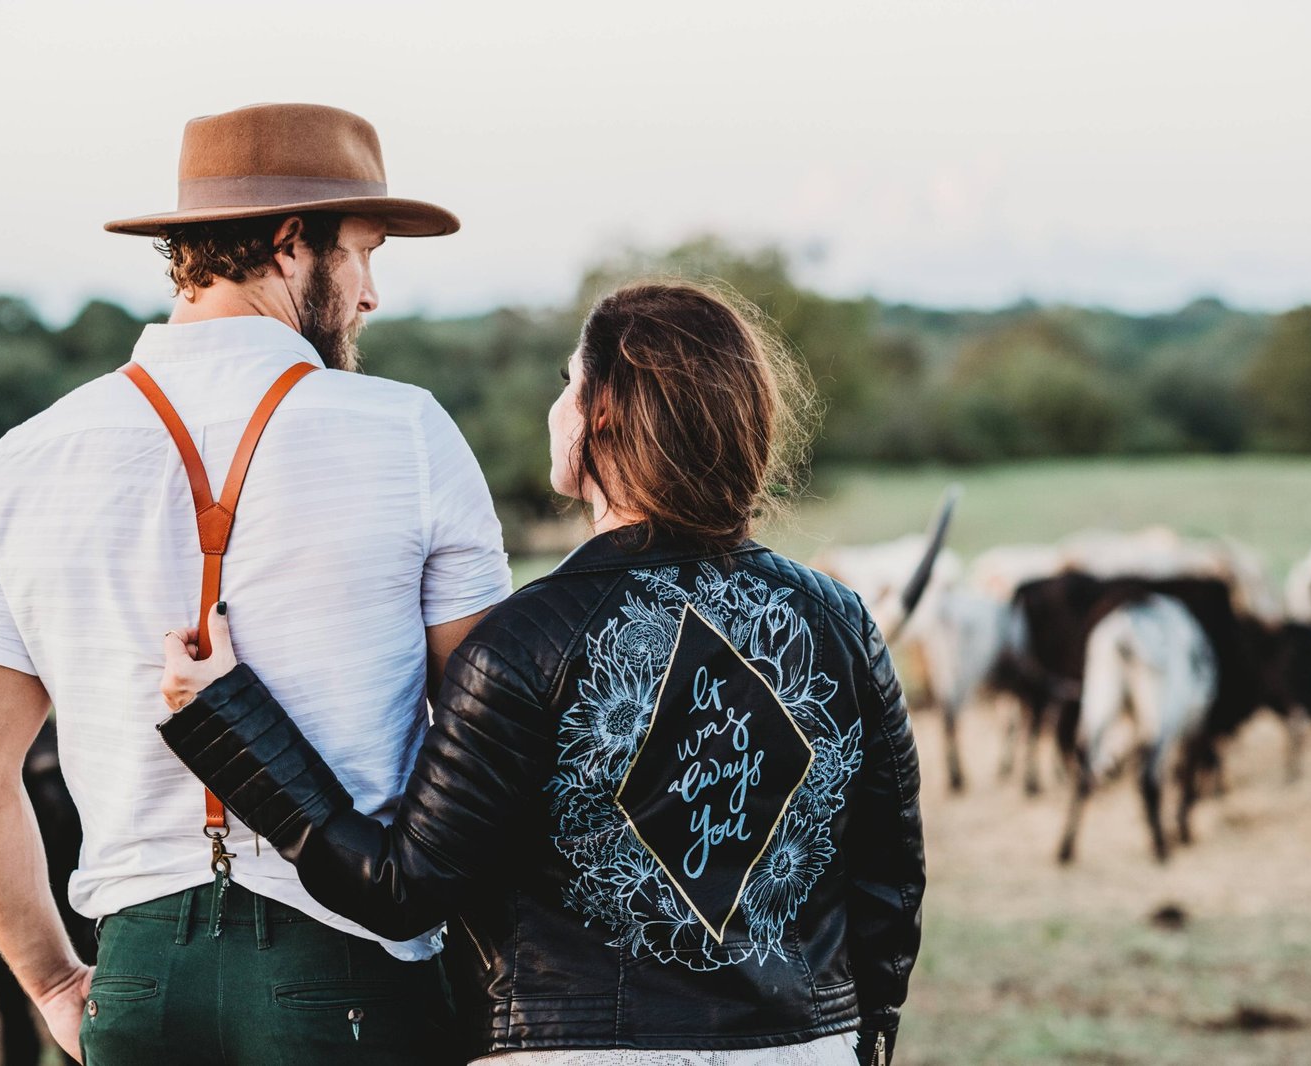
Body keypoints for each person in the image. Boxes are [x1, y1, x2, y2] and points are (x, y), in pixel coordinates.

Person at [158, 282, 927, 1065]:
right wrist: (863, 1034)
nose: (556, 405)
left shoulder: (522, 644)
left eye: (569, 381)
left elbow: (400, 890)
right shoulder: (841, 622)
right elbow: (888, 886)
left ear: (602, 414)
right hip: (807, 1047)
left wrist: (228, 716)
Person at [0, 103, 512, 1064]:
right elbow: (486, 736)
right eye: (365, 253)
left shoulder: (23, 462)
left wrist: (54, 983)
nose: (371, 296)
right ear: (291, 246)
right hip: (356, 974)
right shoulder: (406, 433)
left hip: (139, 982)